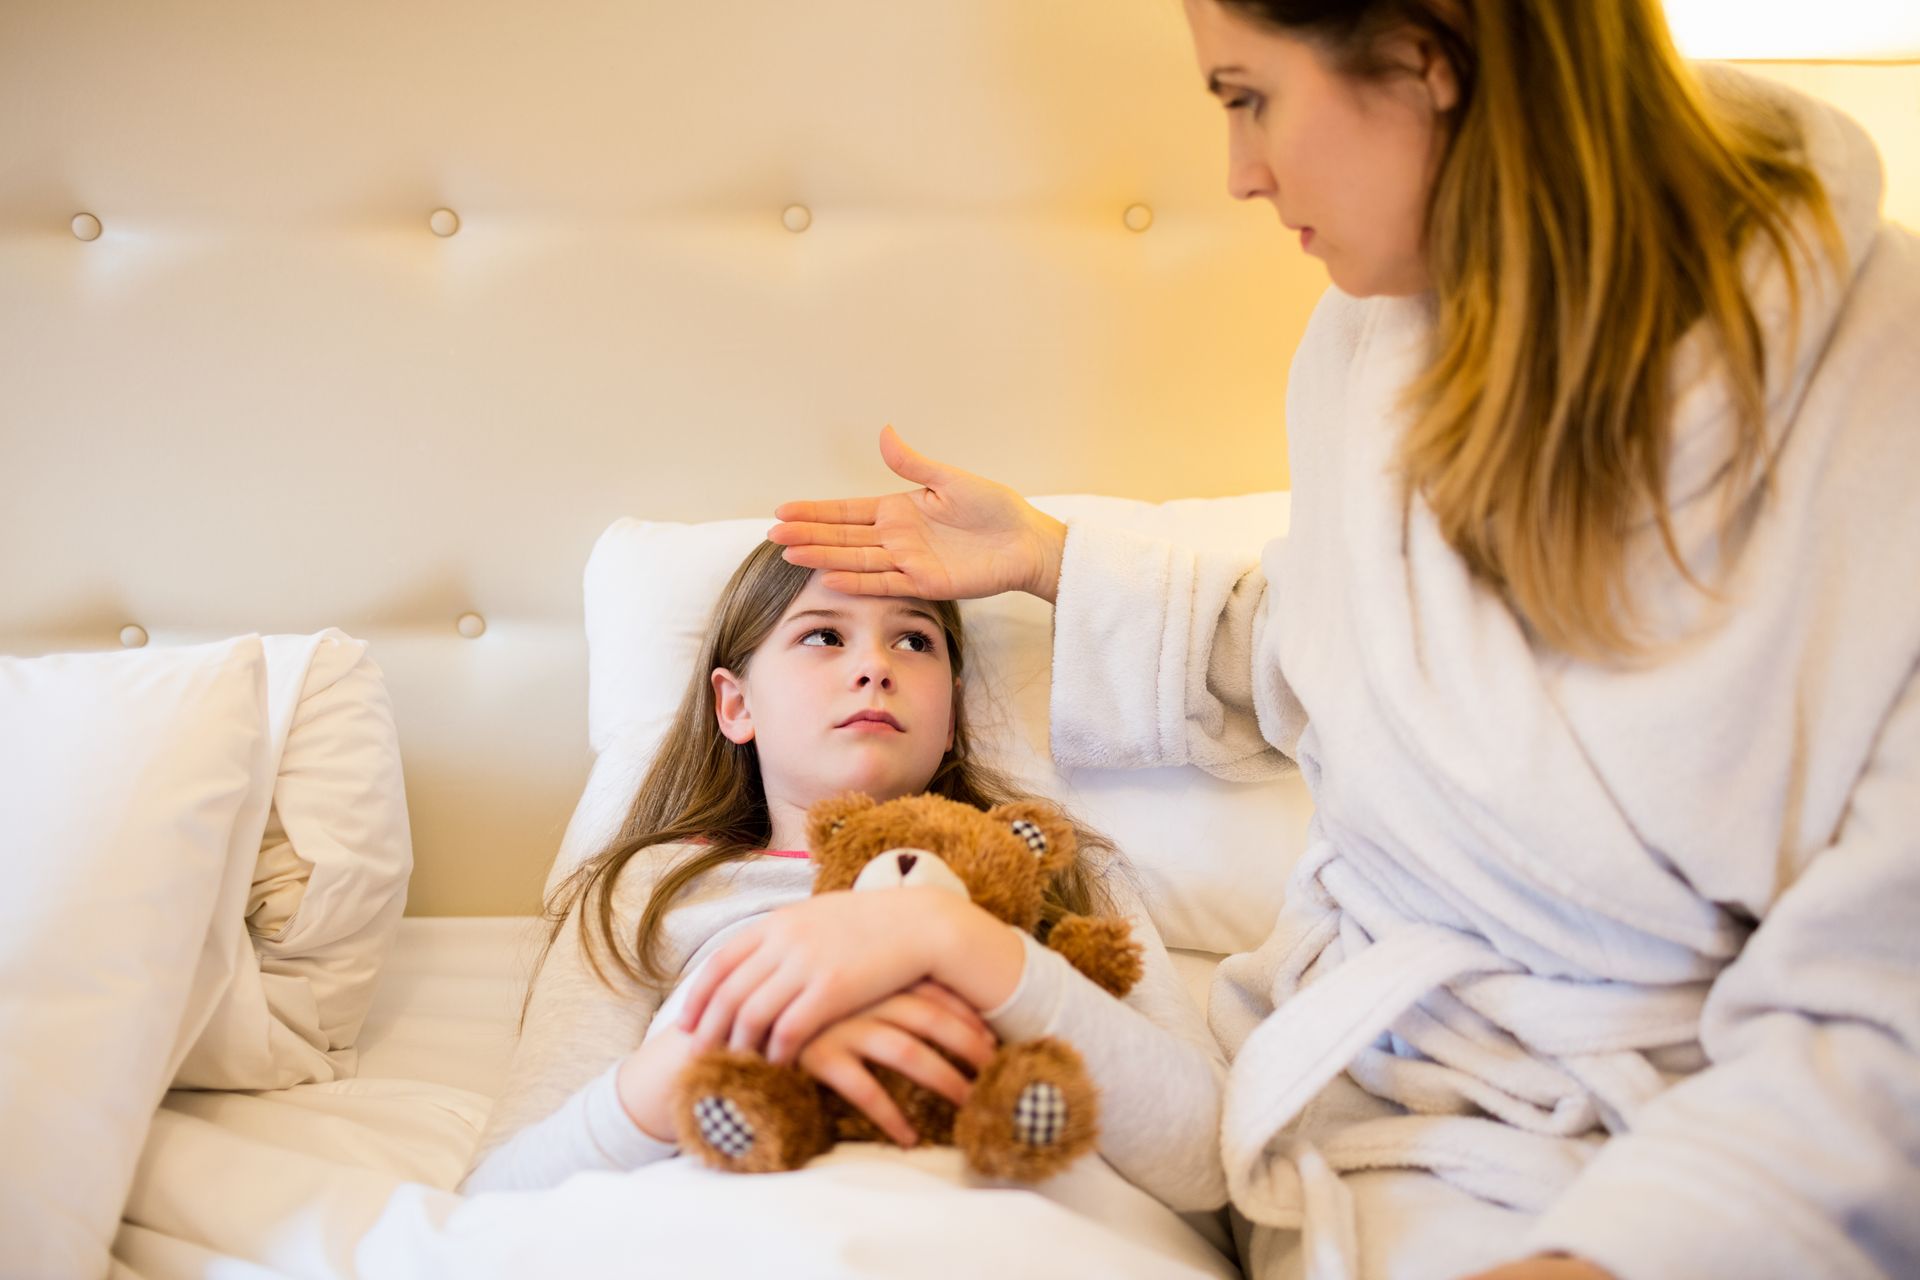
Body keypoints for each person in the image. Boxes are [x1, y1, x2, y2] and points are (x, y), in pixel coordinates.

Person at [757, 2, 1920, 1278]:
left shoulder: (1874, 388)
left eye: (1249, 95)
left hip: (1727, 1148)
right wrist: (1050, 556)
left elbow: (1888, 1003)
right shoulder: (1370, 341)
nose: (1240, 173)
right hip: (1384, 1104)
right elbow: (1347, 659)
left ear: (1430, 57)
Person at [461, 540, 1229, 1221]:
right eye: (823, 635)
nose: (875, 667)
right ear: (736, 704)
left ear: (953, 714)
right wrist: (741, 1045)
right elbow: (496, 1200)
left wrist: (958, 940)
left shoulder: (1053, 877)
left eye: (914, 639)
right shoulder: (651, 890)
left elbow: (1213, 1162)